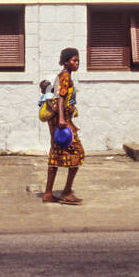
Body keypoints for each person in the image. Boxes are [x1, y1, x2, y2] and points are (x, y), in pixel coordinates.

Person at [43, 48, 85, 205]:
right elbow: (60, 98)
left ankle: (48, 193)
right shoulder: (65, 76)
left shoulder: (64, 76)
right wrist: (62, 119)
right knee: (78, 153)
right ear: (66, 61)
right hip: (61, 122)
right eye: (74, 60)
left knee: (56, 154)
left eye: (78, 61)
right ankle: (67, 192)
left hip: (62, 121)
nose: (77, 63)